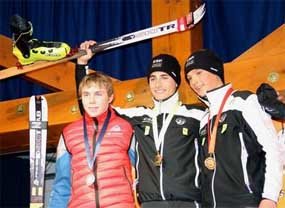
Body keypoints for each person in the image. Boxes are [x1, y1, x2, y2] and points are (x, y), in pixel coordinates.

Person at [75, 40, 206, 208]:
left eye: (164, 77)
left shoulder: (197, 115)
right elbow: (93, 108)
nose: (158, 84)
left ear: (176, 81)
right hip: (149, 204)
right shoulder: (138, 115)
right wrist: (82, 64)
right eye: (153, 78)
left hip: (188, 203)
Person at [184, 49, 283, 208]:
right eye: (189, 78)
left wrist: (270, 197)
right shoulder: (204, 118)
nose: (194, 81)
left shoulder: (245, 102)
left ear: (215, 70)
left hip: (245, 202)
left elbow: (272, 149)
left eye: (199, 73)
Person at [48, 72, 135, 207]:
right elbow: (62, 184)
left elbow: (141, 175)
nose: (91, 101)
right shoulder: (68, 133)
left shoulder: (126, 129)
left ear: (110, 97)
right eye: (86, 94)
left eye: (98, 94)